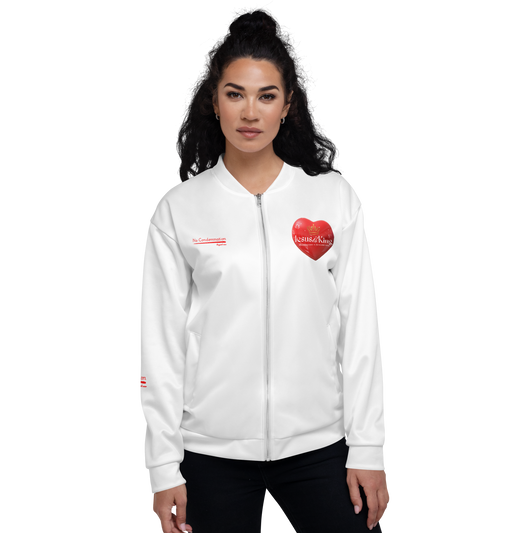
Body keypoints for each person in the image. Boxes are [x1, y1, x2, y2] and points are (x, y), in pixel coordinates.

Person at [138, 2, 391, 532]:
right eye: (235, 94)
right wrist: (161, 464)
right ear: (214, 102)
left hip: (320, 446)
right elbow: (159, 347)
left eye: (266, 95)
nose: (250, 112)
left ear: (288, 104)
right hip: (210, 454)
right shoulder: (178, 209)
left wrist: (369, 446)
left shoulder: (334, 198)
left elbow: (361, 332)